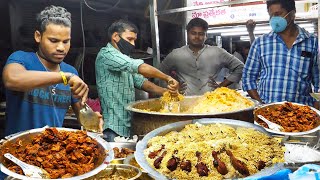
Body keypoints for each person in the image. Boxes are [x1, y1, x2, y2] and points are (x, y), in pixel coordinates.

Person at [2, 5, 103, 137]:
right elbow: (12, 79)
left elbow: (81, 112)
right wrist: (64, 77)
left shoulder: (70, 71)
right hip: (17, 150)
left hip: (52, 152)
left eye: (66, 41)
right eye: (54, 41)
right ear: (38, 36)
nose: (61, 48)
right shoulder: (21, 59)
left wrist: (92, 120)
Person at [95, 19, 179, 141]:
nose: (133, 44)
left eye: (134, 40)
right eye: (129, 39)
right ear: (115, 36)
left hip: (128, 125)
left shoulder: (123, 58)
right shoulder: (107, 55)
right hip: (113, 127)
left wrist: (167, 92)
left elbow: (143, 83)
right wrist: (167, 78)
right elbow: (141, 67)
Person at [242, 0, 319, 107]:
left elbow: (318, 81)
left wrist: (316, 110)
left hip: (302, 114)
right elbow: (248, 77)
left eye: (277, 14)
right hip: (268, 114)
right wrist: (261, 105)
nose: (273, 19)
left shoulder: (312, 42)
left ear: (292, 14)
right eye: (271, 16)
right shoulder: (261, 43)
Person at [160, 18, 244, 95]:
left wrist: (221, 86)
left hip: (212, 102)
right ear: (188, 33)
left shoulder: (217, 52)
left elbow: (240, 67)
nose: (197, 37)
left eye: (201, 34)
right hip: (185, 102)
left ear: (206, 36)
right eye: (193, 33)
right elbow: (160, 72)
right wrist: (173, 86)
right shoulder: (176, 54)